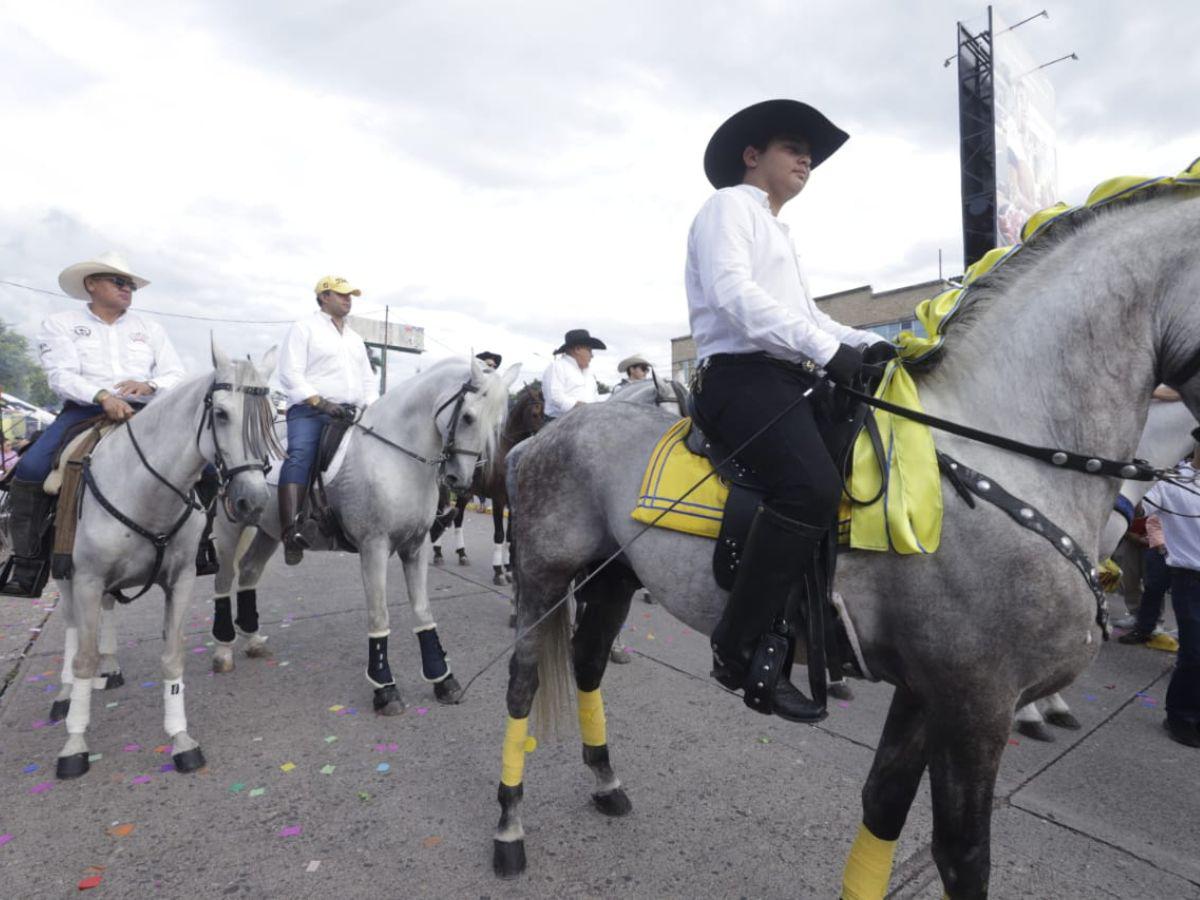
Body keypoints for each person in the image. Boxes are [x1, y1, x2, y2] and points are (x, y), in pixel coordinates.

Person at [686, 99, 895, 722]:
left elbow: (808, 317)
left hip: (784, 374)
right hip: (741, 377)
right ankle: (736, 642)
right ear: (753, 157)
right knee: (810, 488)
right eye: (792, 147)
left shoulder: (778, 229)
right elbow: (732, 295)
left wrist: (872, 344)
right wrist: (827, 350)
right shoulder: (728, 207)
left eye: (810, 153)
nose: (807, 159)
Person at [1, 251, 186, 596]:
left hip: (144, 412)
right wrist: (103, 395)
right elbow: (61, 375)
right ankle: (27, 565)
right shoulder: (61, 324)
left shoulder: (150, 329)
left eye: (130, 284)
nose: (128, 288)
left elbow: (175, 373)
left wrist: (151, 386)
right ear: (91, 285)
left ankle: (196, 549)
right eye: (119, 282)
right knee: (30, 469)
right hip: (84, 410)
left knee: (202, 469)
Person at [276, 276, 378, 565]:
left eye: (351, 296)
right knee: (300, 455)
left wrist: (372, 409)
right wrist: (320, 402)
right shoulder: (303, 328)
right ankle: (291, 531)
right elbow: (290, 373)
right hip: (311, 411)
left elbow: (369, 382)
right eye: (342, 294)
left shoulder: (355, 339)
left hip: (352, 413)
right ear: (323, 297)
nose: (348, 299)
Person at [1139, 432, 1200, 748]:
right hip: (1189, 579)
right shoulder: (1172, 481)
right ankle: (1179, 716)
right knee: (1194, 653)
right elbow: (1145, 508)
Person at [541, 329, 605, 420]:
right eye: (589, 350)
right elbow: (555, 397)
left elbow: (595, 396)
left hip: (588, 420)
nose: (592, 355)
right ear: (577, 349)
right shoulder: (557, 367)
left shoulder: (589, 372)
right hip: (559, 424)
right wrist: (581, 407)